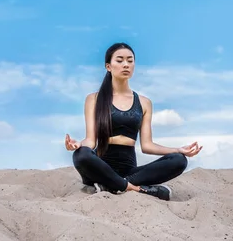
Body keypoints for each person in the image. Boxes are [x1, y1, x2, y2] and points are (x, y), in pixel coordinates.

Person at [65, 42, 202, 201]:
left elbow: (147, 145)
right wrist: (77, 145)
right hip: (100, 169)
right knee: (81, 154)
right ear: (108, 66)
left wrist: (178, 149)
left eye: (130, 61)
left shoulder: (144, 102)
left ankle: (113, 186)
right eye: (120, 60)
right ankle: (135, 189)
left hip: (131, 172)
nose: (126, 65)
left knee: (178, 160)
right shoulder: (94, 99)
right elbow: (90, 140)